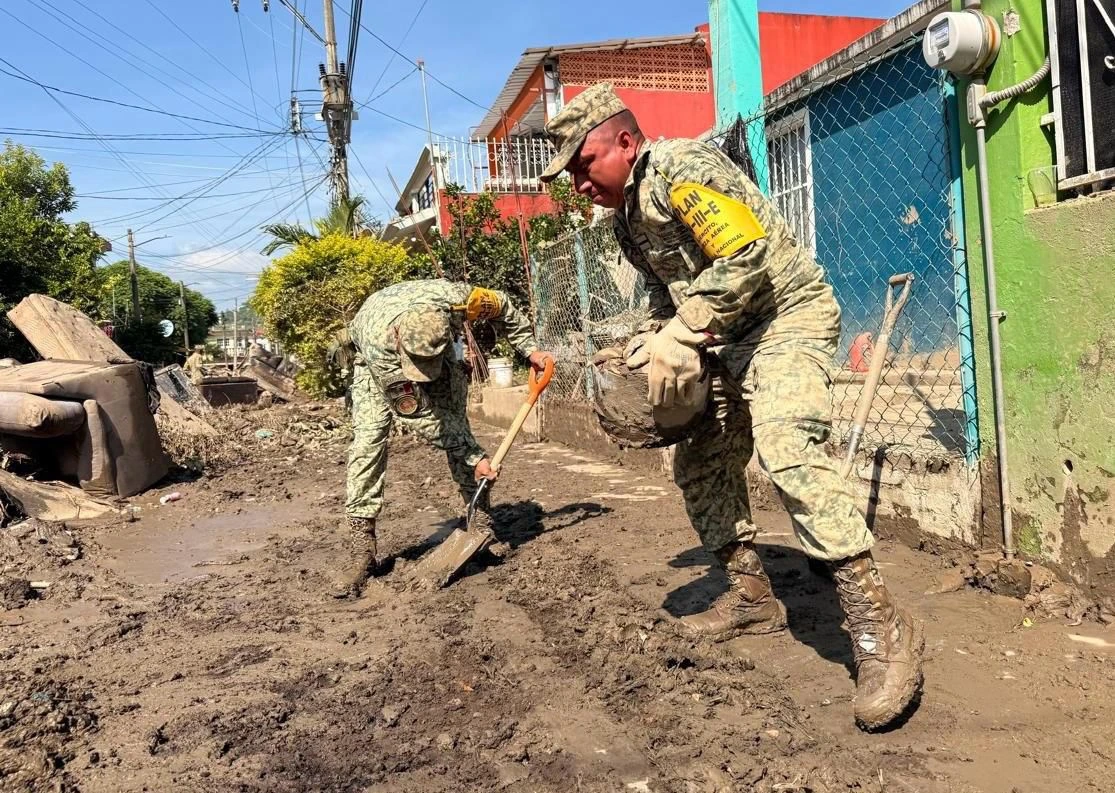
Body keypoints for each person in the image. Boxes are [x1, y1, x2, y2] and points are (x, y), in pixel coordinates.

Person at [539, 83, 924, 731]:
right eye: (570, 173)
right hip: (722, 338)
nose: (578, 183)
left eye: (584, 163)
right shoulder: (626, 221)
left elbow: (745, 255)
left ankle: (879, 625)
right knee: (699, 464)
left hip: (784, 318)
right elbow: (666, 295)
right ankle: (750, 597)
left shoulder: (680, 167)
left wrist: (681, 329)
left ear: (625, 142)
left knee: (786, 446)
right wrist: (652, 342)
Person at [337, 278, 552, 598]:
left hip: (438, 348)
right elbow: (419, 416)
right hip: (375, 362)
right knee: (368, 444)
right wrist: (475, 455)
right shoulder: (379, 347)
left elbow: (504, 305)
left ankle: (480, 524)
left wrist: (529, 349)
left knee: (456, 423)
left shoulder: (459, 301)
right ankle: (362, 549)